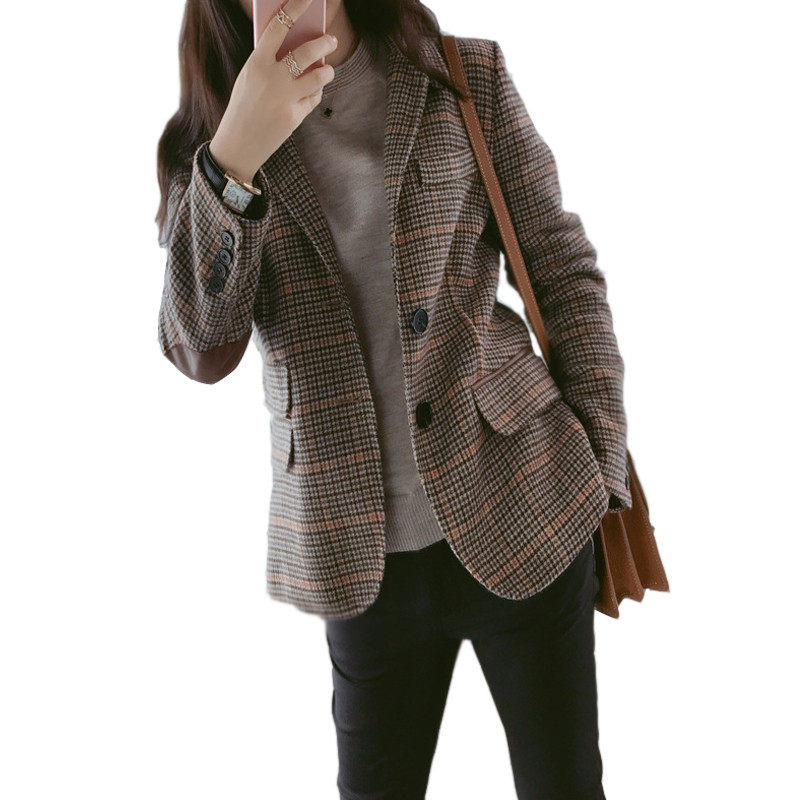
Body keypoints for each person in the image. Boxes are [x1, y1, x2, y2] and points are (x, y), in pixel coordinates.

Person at [156, 1, 632, 797]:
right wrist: (235, 157)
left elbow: (560, 267)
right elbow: (197, 344)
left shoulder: (462, 75)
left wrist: (601, 457)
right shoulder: (207, 144)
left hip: (526, 503)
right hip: (357, 556)